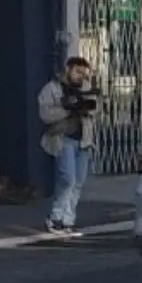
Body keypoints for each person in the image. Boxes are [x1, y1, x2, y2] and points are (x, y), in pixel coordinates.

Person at [38, 57, 101, 236]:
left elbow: (96, 107)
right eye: (77, 72)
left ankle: (68, 221)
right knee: (68, 180)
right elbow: (45, 114)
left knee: (78, 182)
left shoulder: (86, 88)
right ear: (68, 69)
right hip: (63, 139)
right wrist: (68, 109)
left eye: (84, 73)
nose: (81, 76)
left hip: (84, 141)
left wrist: (85, 107)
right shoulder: (52, 88)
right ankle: (55, 218)